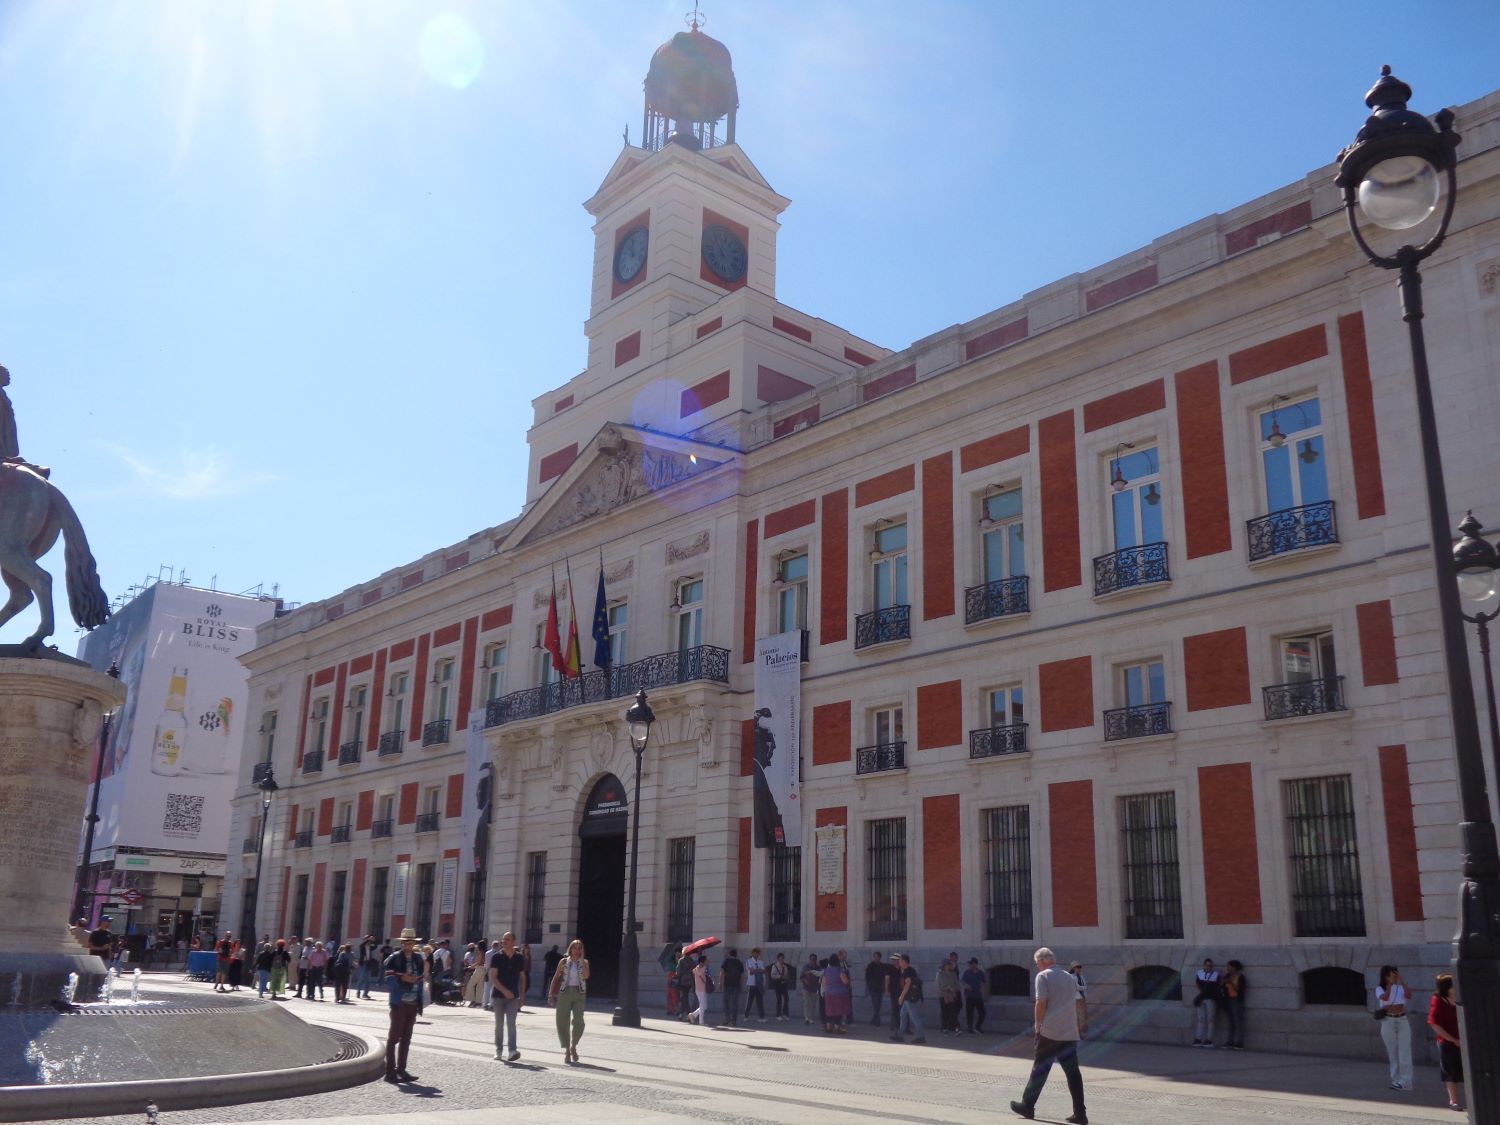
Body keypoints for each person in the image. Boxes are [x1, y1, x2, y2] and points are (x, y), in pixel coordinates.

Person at [1010, 947, 1088, 1124]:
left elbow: (1041, 1002)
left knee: (1040, 1069)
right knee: (1073, 1073)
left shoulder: (1043, 976)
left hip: (1050, 1031)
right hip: (1069, 1032)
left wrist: (1038, 1026)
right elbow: (1076, 1001)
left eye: (1037, 963)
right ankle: (1080, 1113)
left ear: (1043, 961)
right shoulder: (1070, 977)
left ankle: (1027, 1105)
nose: (1037, 966)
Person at [382, 928, 426, 1083]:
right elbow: (388, 979)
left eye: (411, 941)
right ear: (402, 943)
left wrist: (420, 997)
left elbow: (420, 979)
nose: (408, 944)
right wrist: (403, 980)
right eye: (406, 942)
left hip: (412, 1003)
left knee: (406, 1039)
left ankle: (402, 1070)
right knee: (393, 1038)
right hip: (399, 1003)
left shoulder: (418, 959)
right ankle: (389, 1071)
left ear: (414, 943)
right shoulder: (394, 958)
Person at [750, 708, 786, 847]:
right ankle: (773, 830)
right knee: (765, 797)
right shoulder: (767, 733)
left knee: (767, 797)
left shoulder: (765, 731)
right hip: (765, 769)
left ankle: (773, 830)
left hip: (766, 770)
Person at [1427, 973, 1463, 1112]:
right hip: (1448, 1042)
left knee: (1468, 1071)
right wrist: (1452, 1039)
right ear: (1448, 987)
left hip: (1464, 1040)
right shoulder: (1438, 1000)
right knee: (1451, 1072)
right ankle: (1454, 1101)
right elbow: (1434, 1023)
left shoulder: (1460, 997)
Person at [550, 938, 589, 1063]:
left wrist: (582, 960)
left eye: (579, 948)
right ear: (570, 949)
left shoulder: (585, 963)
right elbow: (556, 977)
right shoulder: (563, 961)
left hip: (579, 993)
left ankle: (573, 1046)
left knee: (579, 1022)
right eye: (575, 948)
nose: (577, 950)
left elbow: (586, 976)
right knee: (562, 1021)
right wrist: (551, 994)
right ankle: (567, 1050)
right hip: (564, 992)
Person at [490, 931, 527, 1062]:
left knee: (511, 1024)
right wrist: (504, 991)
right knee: (499, 1025)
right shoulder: (496, 957)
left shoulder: (519, 958)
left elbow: (522, 978)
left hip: (514, 997)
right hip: (498, 996)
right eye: (503, 939)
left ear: (514, 942)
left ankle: (512, 1050)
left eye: (507, 939)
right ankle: (498, 1050)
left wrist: (522, 996)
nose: (504, 941)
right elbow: (493, 978)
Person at [1376, 965, 1413, 1091]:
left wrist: (1401, 980)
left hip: (1402, 1019)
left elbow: (1409, 996)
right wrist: (1390, 986)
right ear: (1385, 976)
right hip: (1388, 1021)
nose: (1393, 977)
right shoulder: (1380, 988)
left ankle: (1406, 1081)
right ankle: (1396, 1080)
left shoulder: (1400, 987)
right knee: (1393, 1052)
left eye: (1395, 974)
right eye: (1390, 975)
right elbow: (1385, 998)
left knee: (1405, 1051)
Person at [892, 953, 926, 1043]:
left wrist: (901, 996)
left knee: (915, 1017)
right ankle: (900, 1035)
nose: (899, 963)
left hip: (910, 998)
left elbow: (907, 984)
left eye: (899, 961)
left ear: (903, 961)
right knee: (903, 1015)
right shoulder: (911, 970)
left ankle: (921, 1037)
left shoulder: (907, 971)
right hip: (910, 998)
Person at [1192, 958, 1220, 1047]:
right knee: (1200, 1019)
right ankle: (1198, 1039)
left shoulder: (1216, 975)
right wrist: (1202, 992)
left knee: (1210, 1019)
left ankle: (1209, 1040)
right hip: (1202, 998)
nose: (1209, 967)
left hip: (1211, 998)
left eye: (1211, 966)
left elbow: (1218, 985)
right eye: (1208, 965)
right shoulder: (1199, 973)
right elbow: (1197, 983)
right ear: (1204, 965)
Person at [822, 952, 851, 1034]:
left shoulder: (826, 970)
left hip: (829, 993)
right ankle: (836, 1027)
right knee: (839, 1011)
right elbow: (845, 981)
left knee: (829, 1011)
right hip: (840, 994)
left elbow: (824, 983)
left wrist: (828, 990)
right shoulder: (839, 970)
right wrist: (848, 982)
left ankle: (828, 1027)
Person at [1219, 960, 1246, 1049]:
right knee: (1230, 1021)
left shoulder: (1240, 977)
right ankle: (1230, 1041)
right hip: (1228, 1000)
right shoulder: (1227, 976)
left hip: (1236, 1000)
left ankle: (1239, 1042)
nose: (1227, 968)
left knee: (1237, 1021)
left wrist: (1230, 982)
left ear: (1234, 967)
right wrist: (1223, 980)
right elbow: (1222, 987)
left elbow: (1241, 990)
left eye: (1229, 966)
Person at [936, 952, 962, 1035]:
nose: (949, 966)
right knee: (945, 1012)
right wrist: (947, 990)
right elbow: (939, 985)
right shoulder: (940, 974)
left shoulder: (953, 974)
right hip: (943, 996)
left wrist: (953, 989)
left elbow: (957, 985)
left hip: (952, 995)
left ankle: (956, 1028)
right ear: (944, 966)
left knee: (953, 1012)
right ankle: (944, 1028)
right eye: (947, 964)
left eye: (949, 964)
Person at [719, 948, 744, 1026]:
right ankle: (734, 1021)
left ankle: (727, 1018)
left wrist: (721, 984)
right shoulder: (739, 963)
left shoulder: (726, 961)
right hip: (736, 985)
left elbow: (722, 973)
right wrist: (741, 985)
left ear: (730, 954)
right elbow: (742, 976)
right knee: (735, 1003)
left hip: (727, 985)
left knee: (726, 1002)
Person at [962, 957, 988, 1033]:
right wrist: (966, 985)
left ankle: (977, 1027)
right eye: (969, 964)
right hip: (969, 996)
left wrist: (984, 993)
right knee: (969, 1013)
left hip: (978, 996)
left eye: (971, 964)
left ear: (975, 964)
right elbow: (963, 981)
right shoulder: (967, 972)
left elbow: (984, 983)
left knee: (982, 1013)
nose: (970, 965)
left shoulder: (980, 973)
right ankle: (970, 1028)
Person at [865, 952, 889, 1025]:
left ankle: (874, 1019)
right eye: (874, 956)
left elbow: (886, 975)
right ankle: (877, 1021)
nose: (875, 958)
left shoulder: (882, 966)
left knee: (879, 1004)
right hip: (873, 988)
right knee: (875, 1004)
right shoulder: (870, 966)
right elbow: (867, 976)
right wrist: (869, 985)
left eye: (877, 957)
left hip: (880, 988)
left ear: (879, 957)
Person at [744, 947, 767, 1023]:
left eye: (758, 953)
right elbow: (751, 971)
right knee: (749, 1000)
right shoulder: (749, 961)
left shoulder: (761, 962)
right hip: (751, 983)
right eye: (755, 953)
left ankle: (761, 1017)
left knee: (760, 1001)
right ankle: (746, 1015)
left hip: (759, 983)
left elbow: (763, 970)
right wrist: (758, 970)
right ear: (752, 953)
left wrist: (756, 971)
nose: (756, 954)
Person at [689, 952, 712, 1026]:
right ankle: (701, 1021)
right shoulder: (703, 968)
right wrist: (705, 967)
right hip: (701, 989)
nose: (707, 962)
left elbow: (694, 971)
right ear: (703, 961)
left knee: (704, 1006)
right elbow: (700, 974)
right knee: (703, 1005)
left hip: (699, 989)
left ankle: (693, 1015)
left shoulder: (696, 968)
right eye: (706, 960)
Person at [769, 952, 792, 1020]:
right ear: (778, 959)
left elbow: (786, 975)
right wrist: (780, 976)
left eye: (783, 958)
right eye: (781, 958)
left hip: (784, 984)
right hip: (777, 984)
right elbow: (772, 975)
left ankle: (785, 1014)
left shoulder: (785, 966)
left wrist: (786, 978)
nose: (782, 960)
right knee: (779, 999)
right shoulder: (774, 966)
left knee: (786, 998)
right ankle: (778, 1015)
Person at [800, 953, 821, 1025]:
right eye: (812, 960)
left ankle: (811, 1018)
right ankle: (806, 1018)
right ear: (810, 960)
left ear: (816, 960)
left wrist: (819, 983)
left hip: (814, 988)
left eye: (814, 960)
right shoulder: (806, 967)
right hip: (806, 987)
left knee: (813, 1004)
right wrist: (805, 980)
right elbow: (801, 976)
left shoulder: (818, 968)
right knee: (806, 1003)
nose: (813, 961)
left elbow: (820, 977)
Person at [1069, 962, 1089, 1038]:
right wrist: (1082, 987)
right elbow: (1076, 987)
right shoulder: (1071, 977)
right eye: (1077, 967)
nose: (1079, 969)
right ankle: (1080, 1033)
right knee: (1080, 1016)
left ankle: (1082, 1032)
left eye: (1079, 967)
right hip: (1076, 998)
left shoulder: (1081, 976)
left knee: (1084, 1015)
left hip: (1082, 997)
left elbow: (1085, 986)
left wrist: (1082, 987)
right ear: (1073, 968)